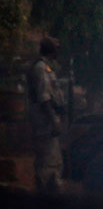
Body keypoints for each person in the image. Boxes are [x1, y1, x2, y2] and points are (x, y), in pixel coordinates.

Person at [27, 38, 66, 192]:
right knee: (47, 160)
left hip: (48, 120)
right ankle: (44, 195)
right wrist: (53, 121)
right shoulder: (41, 68)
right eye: (56, 48)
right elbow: (44, 98)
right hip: (44, 121)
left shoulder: (46, 67)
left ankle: (50, 191)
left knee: (54, 158)